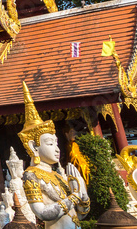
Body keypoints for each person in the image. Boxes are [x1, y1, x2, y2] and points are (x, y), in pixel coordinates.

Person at [18, 83, 88, 229]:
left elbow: (80, 214)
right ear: (33, 147)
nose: (57, 149)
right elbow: (42, 213)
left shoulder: (57, 175)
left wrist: (82, 193)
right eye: (50, 144)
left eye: (56, 143)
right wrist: (74, 196)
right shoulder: (31, 175)